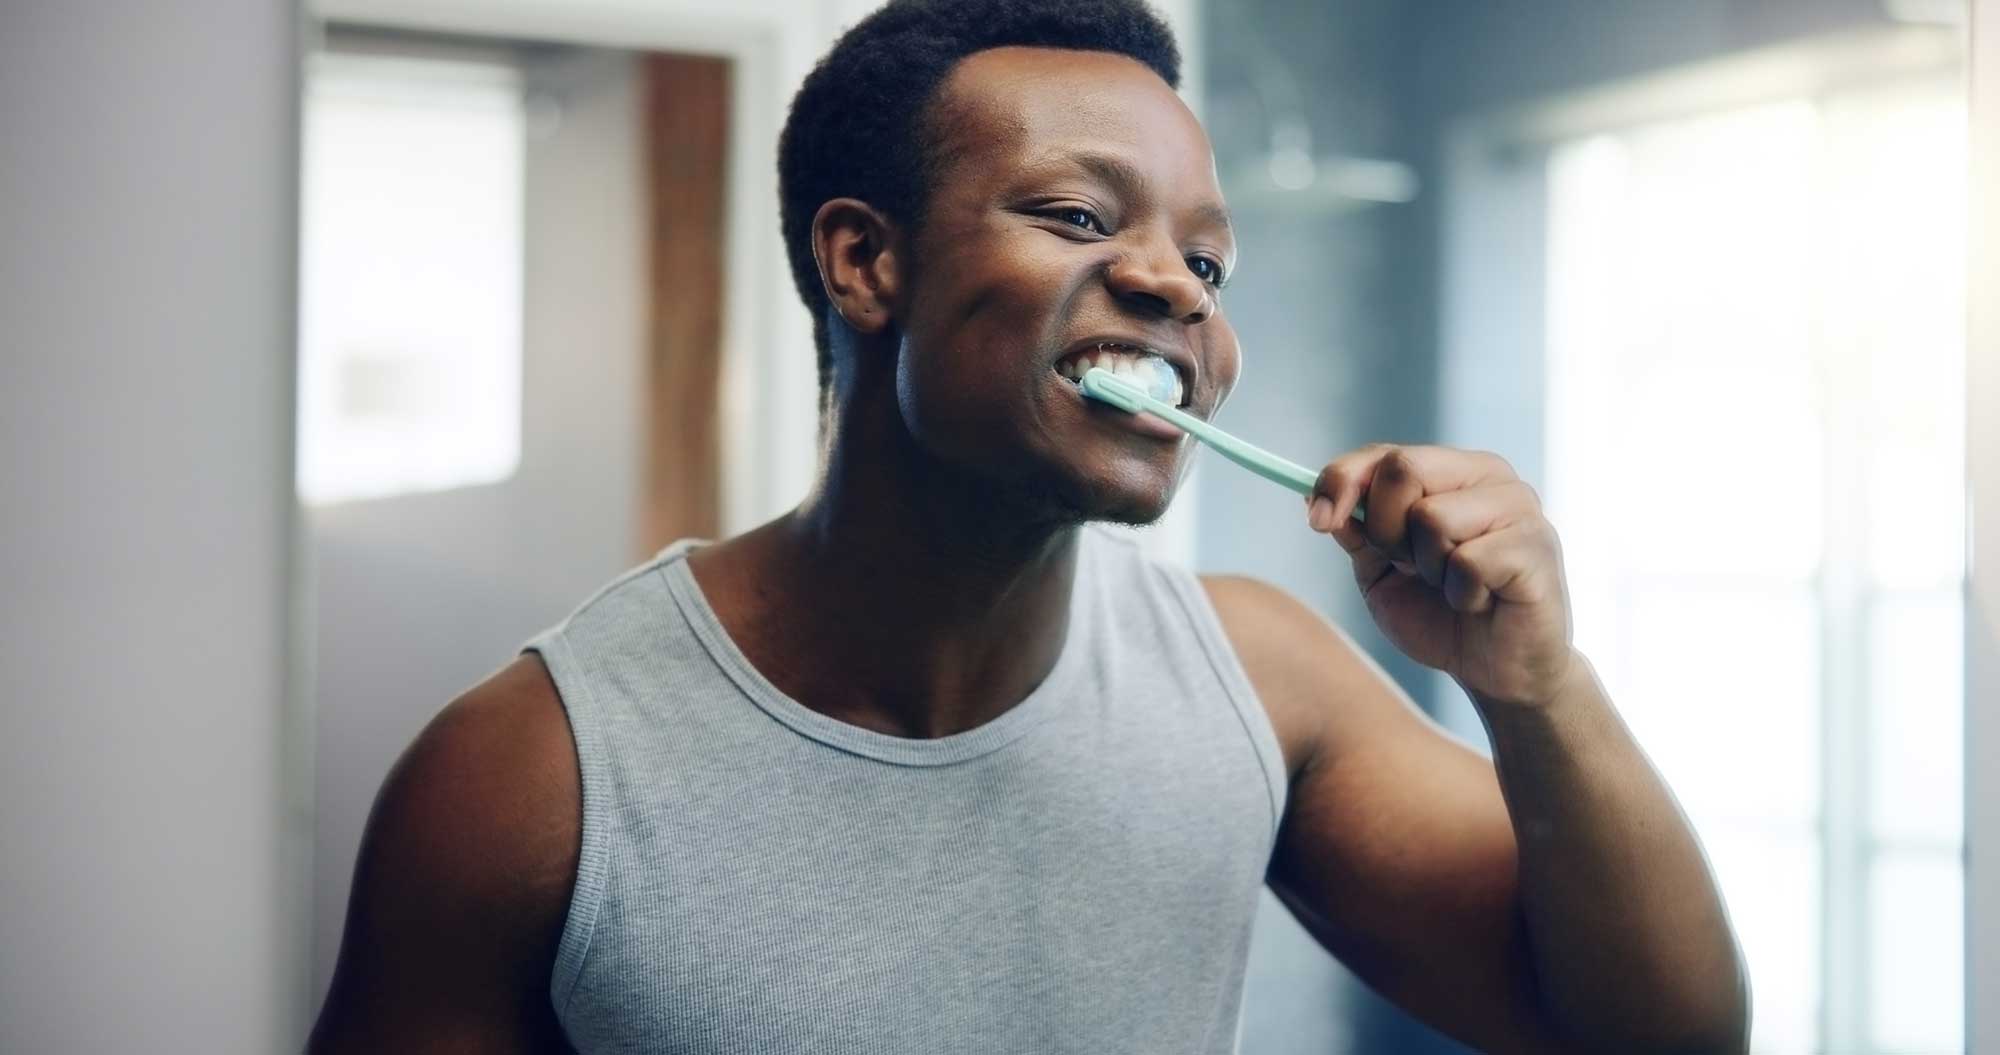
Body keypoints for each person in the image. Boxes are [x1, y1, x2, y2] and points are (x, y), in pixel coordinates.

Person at [307, 1, 1749, 1051]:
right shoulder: (529, 776)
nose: (1175, 285)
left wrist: (1538, 688)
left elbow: (1661, 1038)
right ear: (864, 261)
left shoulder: (1259, 681)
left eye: (1206, 260)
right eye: (1076, 216)